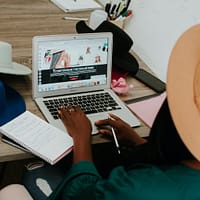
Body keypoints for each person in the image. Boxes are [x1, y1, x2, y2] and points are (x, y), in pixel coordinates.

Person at [1, 24, 200, 199]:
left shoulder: (137, 189)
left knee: (15, 187)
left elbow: (79, 193)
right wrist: (139, 142)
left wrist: (81, 137)